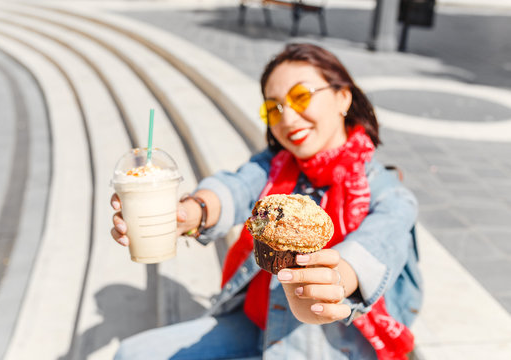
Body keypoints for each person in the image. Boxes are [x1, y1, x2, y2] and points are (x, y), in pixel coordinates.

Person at [110, 43, 422, 360]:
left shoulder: (389, 194)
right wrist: (189, 213)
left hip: (331, 341)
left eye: (301, 96)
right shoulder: (273, 166)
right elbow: (236, 187)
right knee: (131, 354)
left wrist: (332, 282)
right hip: (257, 320)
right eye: (274, 109)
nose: (287, 118)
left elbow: (376, 246)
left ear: (343, 97)